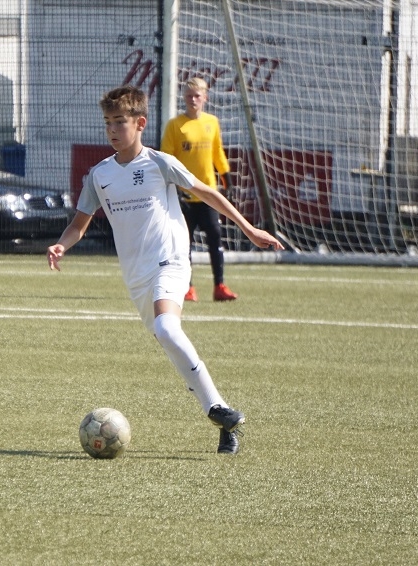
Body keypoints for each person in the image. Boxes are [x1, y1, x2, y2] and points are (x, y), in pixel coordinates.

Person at [47, 85, 283, 454]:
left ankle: (219, 411)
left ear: (140, 123)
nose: (112, 130)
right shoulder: (99, 175)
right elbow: (79, 224)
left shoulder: (159, 163)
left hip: (171, 260)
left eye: (120, 122)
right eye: (107, 122)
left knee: (167, 328)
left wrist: (249, 229)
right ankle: (222, 416)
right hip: (136, 276)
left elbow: (207, 192)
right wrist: (63, 244)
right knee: (169, 342)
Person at [160, 77, 237, 302]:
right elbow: (166, 159)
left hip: (207, 194)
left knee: (215, 237)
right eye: (189, 96)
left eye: (197, 96)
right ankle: (188, 287)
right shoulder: (175, 125)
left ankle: (219, 286)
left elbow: (217, 152)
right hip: (184, 195)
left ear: (205, 97)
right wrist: (173, 186)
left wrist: (227, 179)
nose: (193, 100)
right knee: (184, 244)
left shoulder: (212, 122)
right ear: (184, 98)